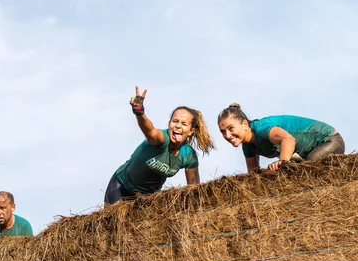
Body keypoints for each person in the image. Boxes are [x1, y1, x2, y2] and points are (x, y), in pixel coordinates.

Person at [104, 86, 215, 204]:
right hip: (121, 186)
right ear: (169, 123)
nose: (178, 126)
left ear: (191, 131)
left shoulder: (188, 155)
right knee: (113, 221)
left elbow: (193, 189)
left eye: (184, 124)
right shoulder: (162, 140)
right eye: (175, 121)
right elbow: (150, 131)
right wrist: (139, 113)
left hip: (147, 197)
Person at [217, 103, 345, 173]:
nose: (227, 135)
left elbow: (288, 140)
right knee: (293, 174)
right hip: (305, 154)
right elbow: (254, 176)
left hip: (328, 140)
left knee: (306, 173)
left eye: (231, 128)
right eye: (223, 132)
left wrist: (282, 162)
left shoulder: (261, 129)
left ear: (244, 123)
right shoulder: (248, 146)